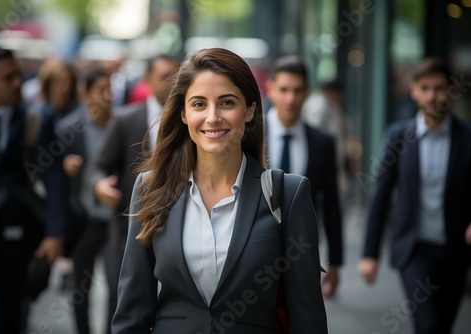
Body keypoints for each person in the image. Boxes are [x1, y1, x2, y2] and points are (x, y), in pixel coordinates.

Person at [111, 48, 327, 333]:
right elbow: (132, 311)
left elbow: (307, 316)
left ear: (250, 110)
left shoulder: (287, 194)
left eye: (226, 102)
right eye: (199, 104)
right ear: (184, 114)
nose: (212, 117)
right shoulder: (151, 188)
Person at [358, 56, 471, 334]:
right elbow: (380, 195)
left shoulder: (468, 137)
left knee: (443, 325)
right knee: (428, 324)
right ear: (414, 91)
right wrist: (369, 254)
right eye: (425, 88)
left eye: (439, 88)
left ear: (452, 91)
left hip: (455, 250)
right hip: (414, 249)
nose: (432, 96)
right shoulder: (399, 135)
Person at [0, 45, 68, 333]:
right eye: (8, 77)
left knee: (11, 318)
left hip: (14, 236)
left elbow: (55, 178)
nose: (19, 83)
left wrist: (55, 234)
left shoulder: (36, 119)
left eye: (19, 75)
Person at [85, 54, 179, 329]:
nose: (171, 84)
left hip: (172, 229)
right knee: (121, 304)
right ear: (147, 79)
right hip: (126, 231)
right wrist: (99, 184)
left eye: (176, 77)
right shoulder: (126, 120)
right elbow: (97, 166)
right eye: (164, 76)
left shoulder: (189, 120)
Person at [265, 55, 343, 298]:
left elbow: (331, 203)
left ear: (307, 92)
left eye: (297, 91)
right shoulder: (249, 136)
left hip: (302, 250)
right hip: (254, 248)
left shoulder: (322, 142)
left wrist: (336, 261)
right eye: (284, 89)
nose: (290, 98)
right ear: (271, 89)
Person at [57, 69, 115, 334]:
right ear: (86, 93)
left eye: (110, 89)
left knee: (118, 285)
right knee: (81, 286)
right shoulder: (69, 129)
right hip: (84, 220)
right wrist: (64, 168)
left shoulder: (120, 124)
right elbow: (52, 179)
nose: (108, 96)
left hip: (116, 219)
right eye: (101, 90)